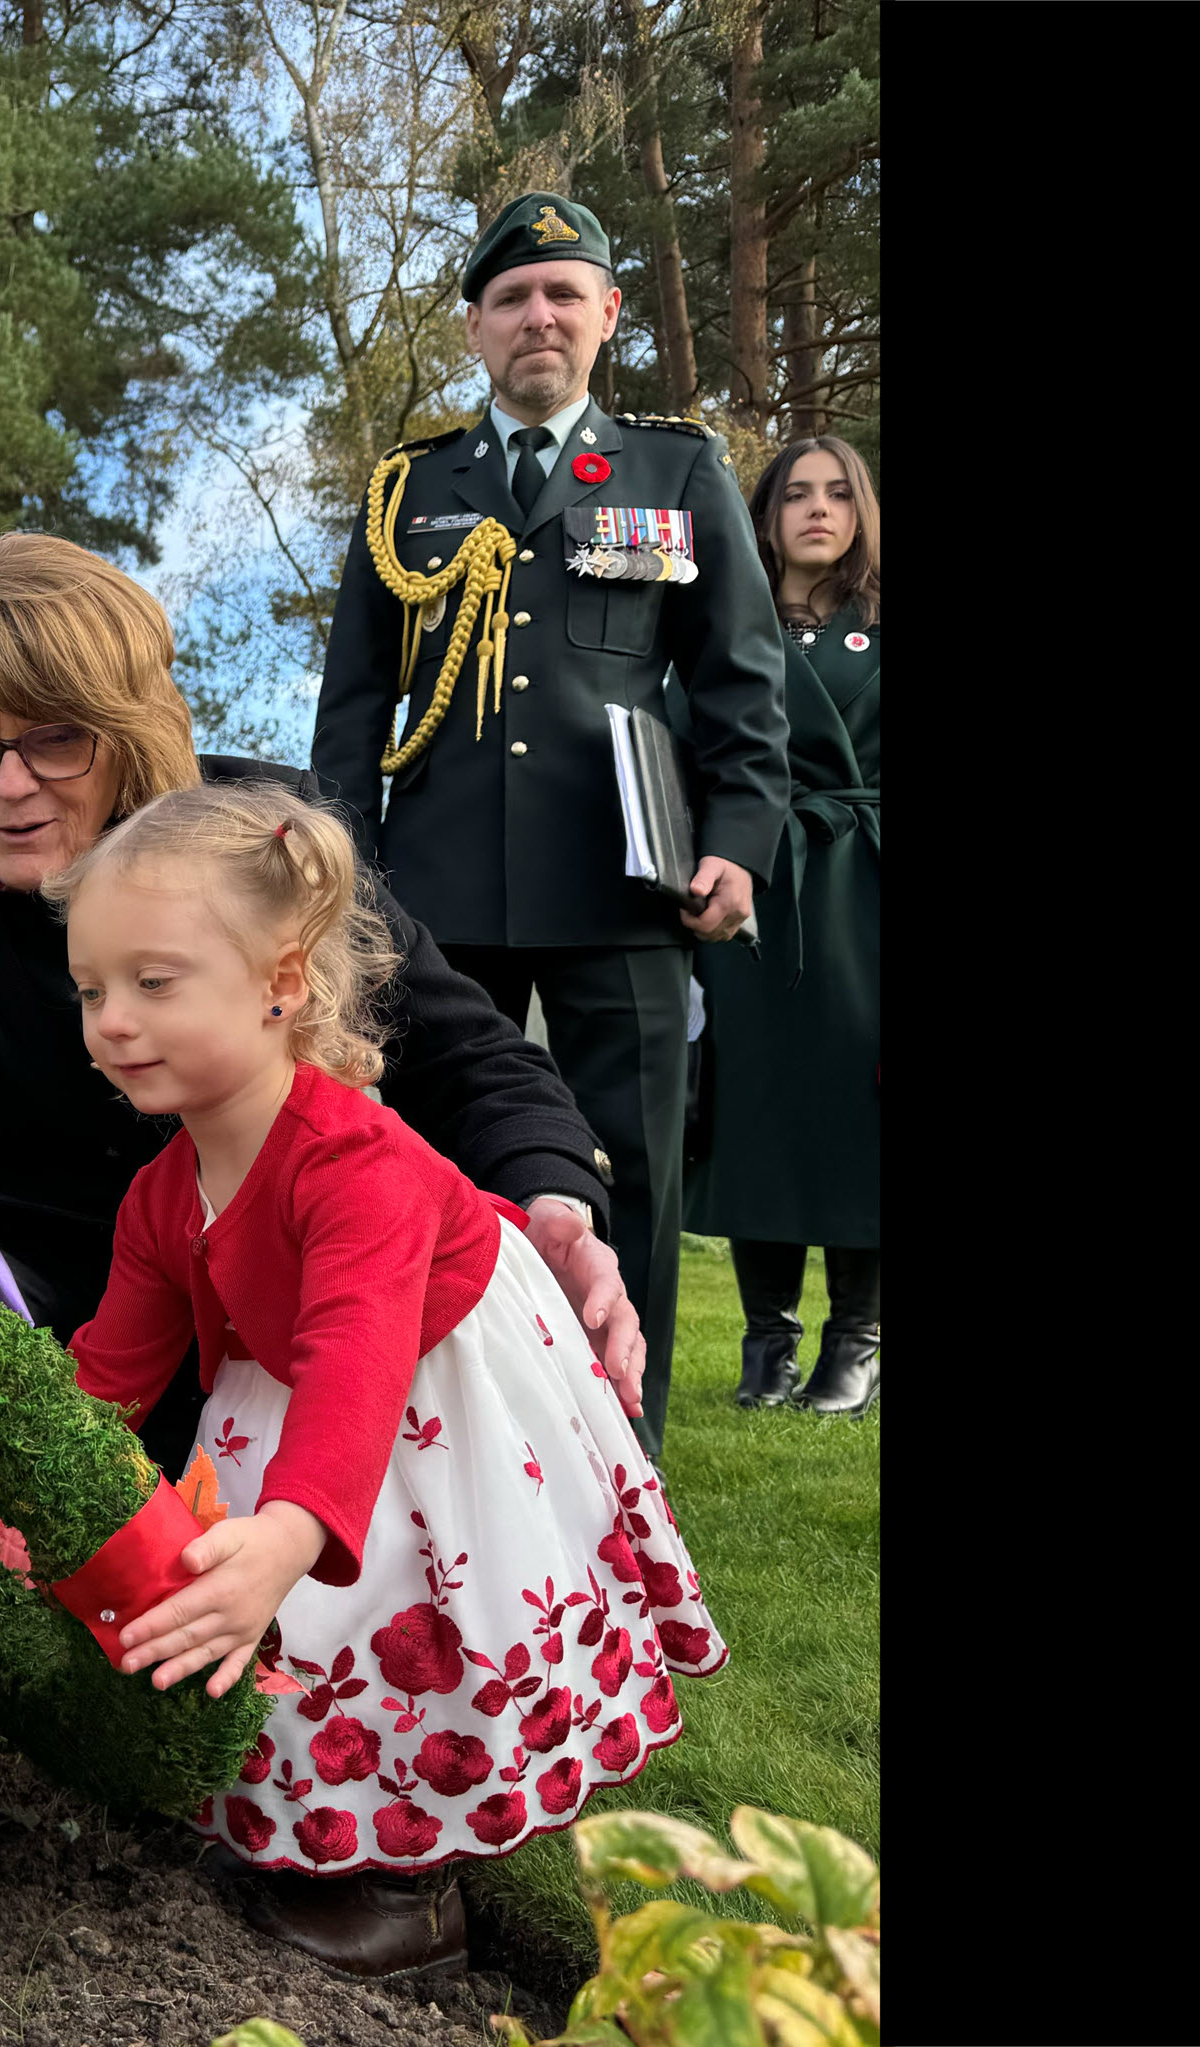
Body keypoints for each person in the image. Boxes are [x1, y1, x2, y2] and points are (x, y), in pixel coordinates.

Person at [51, 781, 727, 1980]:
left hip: (435, 1386)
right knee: (284, 1619)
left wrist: (286, 1534)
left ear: (282, 983)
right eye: (92, 989)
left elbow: (359, 1366)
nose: (111, 1020)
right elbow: (105, 1369)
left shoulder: (351, 1160)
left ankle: (409, 1883)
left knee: (403, 1614)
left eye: (153, 983)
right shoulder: (164, 1191)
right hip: (290, 1382)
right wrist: (13, 1481)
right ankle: (311, 1826)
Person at [0, 530, 648, 1481]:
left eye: (57, 738)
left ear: (133, 730)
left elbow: (466, 1055)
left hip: (243, 1277)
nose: (10, 785)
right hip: (9, 1253)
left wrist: (554, 1198)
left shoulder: (264, 836)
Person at [309, 190, 790, 1464]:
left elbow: (743, 681)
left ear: (606, 314)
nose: (539, 316)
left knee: (625, 1175)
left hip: (625, 885)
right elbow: (352, 709)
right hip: (432, 895)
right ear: (473, 327)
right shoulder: (406, 488)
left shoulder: (674, 470)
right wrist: (339, 888)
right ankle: (441, 1458)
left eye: (563, 293)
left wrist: (737, 839)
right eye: (512, 298)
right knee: (427, 1165)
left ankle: (619, 1467)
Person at [680, 436, 880, 1415]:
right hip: (755, 884)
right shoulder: (729, 627)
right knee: (754, 1105)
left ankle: (855, 1340)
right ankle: (768, 1342)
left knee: (857, 1107)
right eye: (794, 492)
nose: (815, 508)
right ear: (761, 514)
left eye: (836, 492)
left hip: (866, 889)